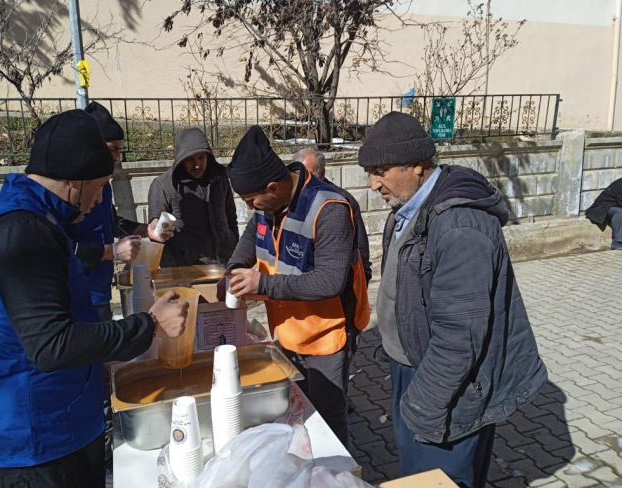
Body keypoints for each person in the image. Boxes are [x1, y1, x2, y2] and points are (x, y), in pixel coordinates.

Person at [0, 109, 188, 488]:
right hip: (31, 443)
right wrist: (149, 324)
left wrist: (97, 363)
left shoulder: (39, 217)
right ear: (75, 181)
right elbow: (51, 345)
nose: (101, 196)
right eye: (101, 184)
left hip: (58, 420)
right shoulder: (21, 232)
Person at [359, 112, 547, 487]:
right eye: (370, 171)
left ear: (417, 166)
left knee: (435, 477)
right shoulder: (406, 210)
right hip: (415, 369)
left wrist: (423, 407)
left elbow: (460, 339)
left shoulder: (460, 226)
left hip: (445, 386)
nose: (373, 182)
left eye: (380, 170)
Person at [225, 126, 370, 447]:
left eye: (250, 200)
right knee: (298, 410)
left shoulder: (329, 208)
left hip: (326, 336)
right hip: (287, 331)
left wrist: (260, 283)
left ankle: (337, 475)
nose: (249, 207)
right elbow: (248, 245)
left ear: (273, 187)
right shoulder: (268, 206)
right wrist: (234, 272)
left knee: (328, 417)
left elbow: (329, 281)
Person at [67, 101, 167, 322]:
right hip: (76, 295)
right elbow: (61, 251)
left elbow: (111, 222)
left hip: (100, 291)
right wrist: (110, 252)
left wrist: (145, 229)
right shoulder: (70, 191)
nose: (117, 157)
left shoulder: (104, 185)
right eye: (113, 149)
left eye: (119, 150)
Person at [148, 128, 239, 268]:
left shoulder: (220, 178)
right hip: (187, 269)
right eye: (190, 160)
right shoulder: (164, 185)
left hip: (225, 263)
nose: (197, 165)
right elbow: (156, 228)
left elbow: (231, 216)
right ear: (180, 160)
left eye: (201, 158)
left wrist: (237, 254)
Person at [292, 147, 372, 285]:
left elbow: (360, 248)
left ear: (321, 174)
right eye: (297, 175)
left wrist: (363, 280)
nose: (301, 182)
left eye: (307, 176)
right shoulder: (290, 200)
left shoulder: (341, 202)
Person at [585, 177, 622, 250]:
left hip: (614, 207)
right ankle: (617, 243)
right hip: (601, 209)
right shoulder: (620, 185)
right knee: (620, 212)